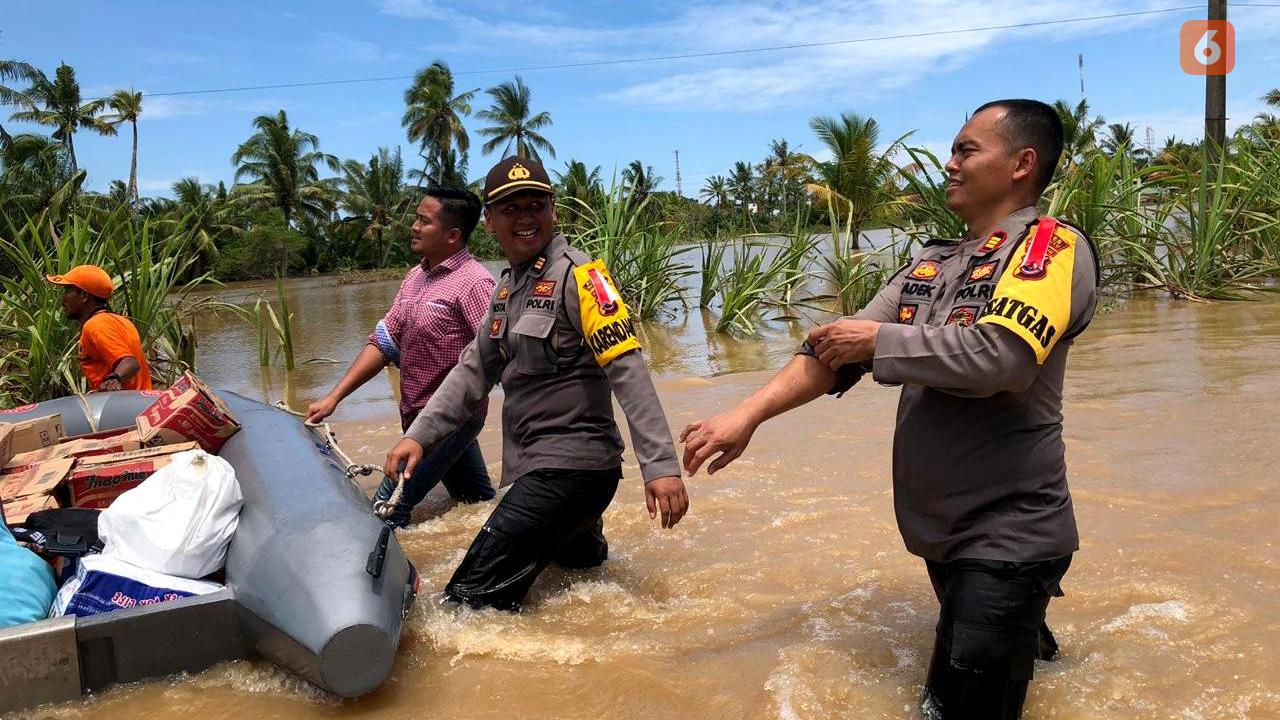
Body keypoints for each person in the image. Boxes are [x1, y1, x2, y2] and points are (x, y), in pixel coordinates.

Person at [680, 99, 1098, 719]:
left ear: (1021, 163)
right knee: (1018, 675)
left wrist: (880, 343)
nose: (949, 165)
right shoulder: (933, 264)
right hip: (943, 532)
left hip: (1006, 532)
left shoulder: (1048, 250)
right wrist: (746, 415)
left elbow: (1002, 359)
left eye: (966, 150)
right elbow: (833, 351)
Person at [383, 156, 689, 611]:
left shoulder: (583, 277)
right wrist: (418, 437)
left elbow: (627, 369)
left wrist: (660, 465)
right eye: (510, 209)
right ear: (489, 221)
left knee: (467, 606)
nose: (525, 218)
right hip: (541, 470)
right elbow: (473, 371)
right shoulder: (506, 288)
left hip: (571, 470)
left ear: (553, 211)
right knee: (579, 585)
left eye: (536, 205)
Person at [306, 185, 497, 525]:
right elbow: (384, 342)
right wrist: (334, 397)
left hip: (450, 419)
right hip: (413, 412)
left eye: (424, 221)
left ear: (452, 235)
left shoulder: (475, 283)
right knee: (474, 503)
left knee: (384, 512)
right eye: (416, 219)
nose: (414, 226)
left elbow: (497, 353)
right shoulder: (415, 278)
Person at [46, 264, 153, 392]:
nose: (62, 299)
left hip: (123, 407)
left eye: (68, 291)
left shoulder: (95, 326)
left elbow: (130, 362)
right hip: (143, 403)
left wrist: (115, 378)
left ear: (84, 296)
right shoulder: (121, 321)